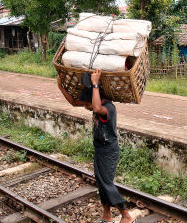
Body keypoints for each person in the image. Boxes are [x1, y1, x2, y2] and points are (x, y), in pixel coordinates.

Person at [57, 70, 134, 223]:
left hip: (109, 150)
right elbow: (74, 102)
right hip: (99, 148)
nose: (86, 108)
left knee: (106, 182)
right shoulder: (94, 103)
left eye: (87, 105)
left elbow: (97, 108)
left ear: (95, 98)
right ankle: (107, 215)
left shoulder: (108, 108)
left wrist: (95, 84)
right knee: (101, 181)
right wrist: (61, 86)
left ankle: (126, 215)